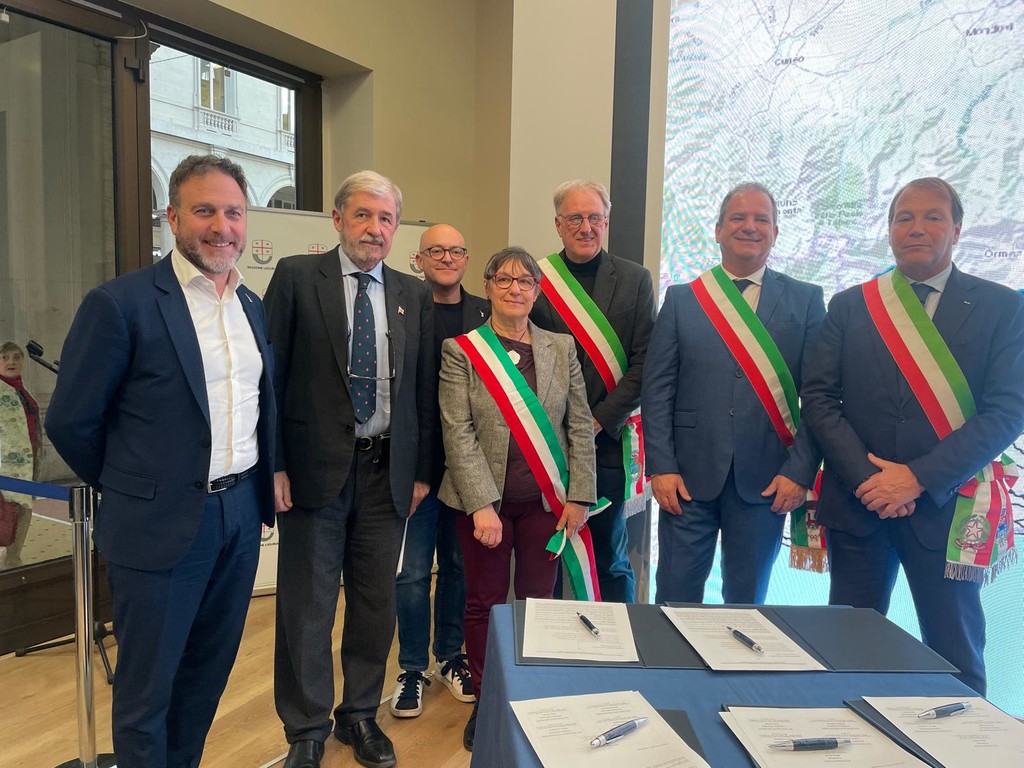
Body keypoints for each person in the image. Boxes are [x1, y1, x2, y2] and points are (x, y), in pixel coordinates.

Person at [44, 154, 277, 768]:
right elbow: (70, 420)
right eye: (205, 211)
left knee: (205, 678)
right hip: (158, 524)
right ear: (173, 218)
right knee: (146, 694)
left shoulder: (250, 305)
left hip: (238, 516)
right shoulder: (120, 304)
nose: (222, 226)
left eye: (234, 212)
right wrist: (135, 485)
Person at [801, 177, 1024, 695]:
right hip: (860, 505)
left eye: (932, 217)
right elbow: (819, 398)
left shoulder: (1002, 307)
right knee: (847, 654)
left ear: (957, 229)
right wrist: (870, 481)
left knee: (956, 656)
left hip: (949, 509)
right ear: (890, 230)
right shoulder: (851, 305)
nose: (916, 228)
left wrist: (918, 478)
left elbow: (1007, 410)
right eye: (904, 218)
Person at [266, 171, 435, 768]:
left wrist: (422, 471)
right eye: (363, 215)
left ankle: (359, 714)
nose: (374, 228)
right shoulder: (296, 277)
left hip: (387, 472)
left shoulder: (412, 294)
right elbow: (271, 379)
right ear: (337, 220)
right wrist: (275, 465)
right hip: (313, 473)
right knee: (307, 605)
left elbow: (421, 390)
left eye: (386, 218)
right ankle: (306, 729)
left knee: (374, 603)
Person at [438, 246, 596, 751]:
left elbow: (579, 425)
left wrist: (580, 496)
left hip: (546, 505)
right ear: (487, 286)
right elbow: (457, 431)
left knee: (537, 603)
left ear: (536, 291)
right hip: (484, 506)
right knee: (484, 603)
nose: (514, 289)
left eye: (525, 281)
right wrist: (480, 504)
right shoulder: (462, 350)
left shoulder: (561, 348)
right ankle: (487, 699)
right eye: (503, 279)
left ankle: (528, 693)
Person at [642, 182, 825, 604]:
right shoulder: (683, 299)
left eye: (762, 219)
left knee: (747, 601)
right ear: (718, 230)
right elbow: (657, 390)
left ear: (776, 232)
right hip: (686, 479)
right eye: (738, 218)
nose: (750, 226)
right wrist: (661, 466)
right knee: (674, 596)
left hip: (768, 480)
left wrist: (800, 471)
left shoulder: (805, 300)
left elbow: (818, 398)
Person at [530, 180, 656, 603]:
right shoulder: (536, 279)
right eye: (575, 218)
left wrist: (598, 420)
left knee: (610, 559)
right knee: (545, 561)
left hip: (608, 442)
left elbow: (645, 362)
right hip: (548, 443)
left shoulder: (635, 279)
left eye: (595, 218)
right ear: (558, 224)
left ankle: (621, 642)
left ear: (606, 221)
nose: (586, 227)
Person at [390, 224, 488, 718]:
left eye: (455, 250)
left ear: (466, 259)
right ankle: (411, 667)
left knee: (457, 567)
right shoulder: (401, 308)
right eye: (436, 251)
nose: (446, 258)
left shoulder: (487, 313)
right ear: (419, 259)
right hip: (417, 470)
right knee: (411, 573)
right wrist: (416, 471)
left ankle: (450, 655)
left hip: (470, 469)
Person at [0, 342, 43, 568]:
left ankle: (13, 562)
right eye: (5, 357)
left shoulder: (23, 391)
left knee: (22, 513)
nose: (11, 362)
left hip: (28, 465)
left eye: (17, 357)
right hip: (4, 469)